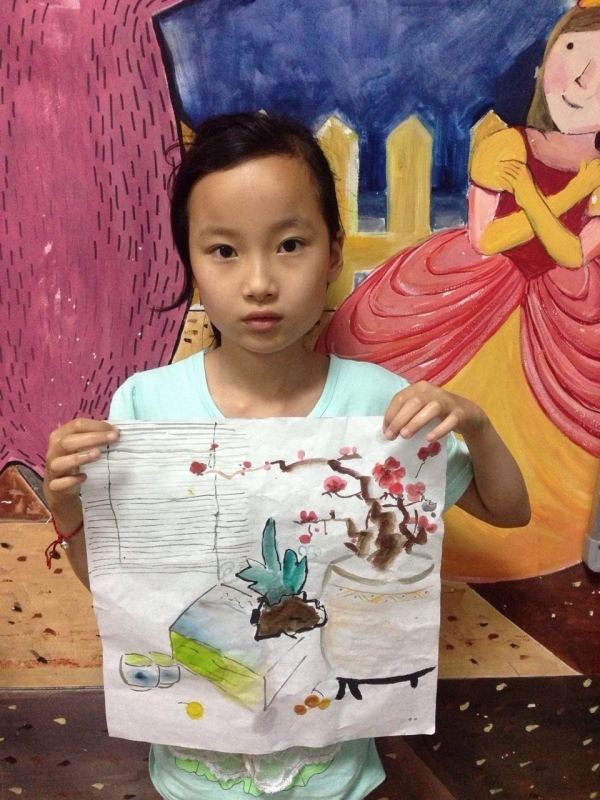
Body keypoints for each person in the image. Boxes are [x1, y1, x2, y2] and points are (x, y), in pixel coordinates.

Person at [44, 111, 529, 800]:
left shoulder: (382, 406)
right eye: (224, 250)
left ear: (333, 254)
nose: (260, 282)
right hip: (193, 773)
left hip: (336, 775)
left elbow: (510, 513)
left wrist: (477, 426)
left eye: (290, 244)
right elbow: (118, 589)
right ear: (190, 261)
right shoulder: (146, 406)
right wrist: (68, 507)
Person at [318, 1, 600, 580]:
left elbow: (572, 253)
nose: (581, 78)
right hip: (475, 283)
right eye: (572, 52)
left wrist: (542, 199)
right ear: (547, 61)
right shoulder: (505, 145)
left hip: (563, 303)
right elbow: (488, 237)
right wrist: (568, 196)